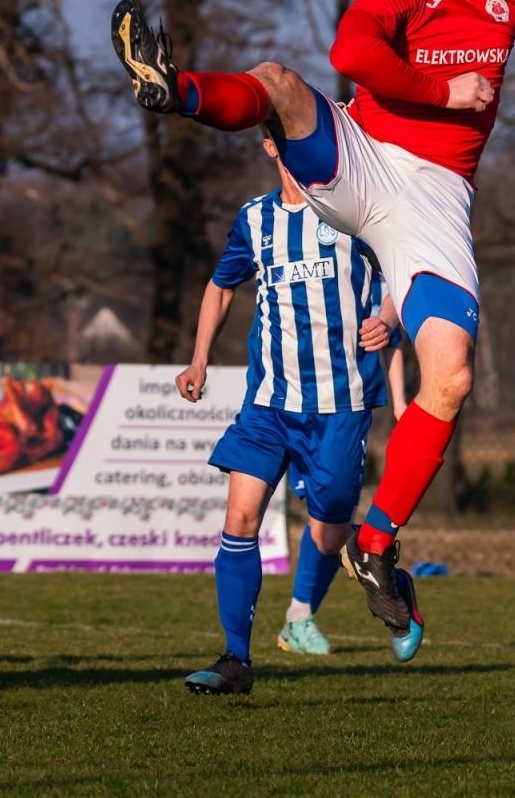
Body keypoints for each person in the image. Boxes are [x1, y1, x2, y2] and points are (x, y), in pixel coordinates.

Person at [112, 0, 515, 652]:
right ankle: (178, 91)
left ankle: (375, 543)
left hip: (436, 200)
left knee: (451, 375)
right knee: (278, 80)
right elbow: (350, 51)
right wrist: (447, 95)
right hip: (364, 157)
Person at [180, 130, 401, 695]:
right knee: (240, 519)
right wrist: (199, 359)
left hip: (339, 405)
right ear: (269, 146)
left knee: (327, 533)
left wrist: (391, 318)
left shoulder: (354, 209)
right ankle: (235, 660)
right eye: (284, 137)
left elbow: (408, 269)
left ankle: (372, 566)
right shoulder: (255, 219)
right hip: (268, 404)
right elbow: (221, 285)